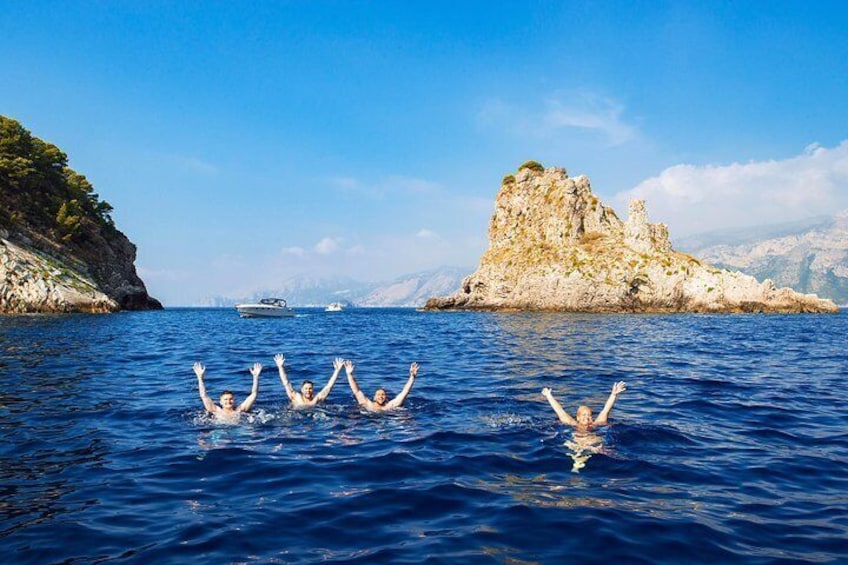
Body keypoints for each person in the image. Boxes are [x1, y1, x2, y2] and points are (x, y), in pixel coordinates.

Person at [541, 381, 627, 432]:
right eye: (583, 415)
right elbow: (560, 411)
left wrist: (613, 394)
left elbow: (606, 410)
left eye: (589, 415)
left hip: (593, 444)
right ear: (577, 417)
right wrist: (549, 396)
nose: (586, 417)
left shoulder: (596, 424)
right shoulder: (573, 424)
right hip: (577, 445)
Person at [193, 361, 262, 420]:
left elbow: (254, 394)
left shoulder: (239, 410)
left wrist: (255, 377)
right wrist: (200, 378)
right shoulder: (215, 410)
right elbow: (204, 396)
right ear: (221, 402)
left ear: (234, 400)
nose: (228, 401)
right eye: (225, 399)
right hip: (219, 431)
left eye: (230, 399)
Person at [344, 359, 419, 412]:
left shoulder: (390, 406)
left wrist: (412, 377)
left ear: (386, 397)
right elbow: (357, 391)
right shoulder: (368, 404)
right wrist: (349, 374)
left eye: (383, 394)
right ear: (374, 397)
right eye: (378, 394)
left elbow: (405, 391)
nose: (380, 396)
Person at [274, 353, 343, 408]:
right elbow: (286, 383)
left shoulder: (316, 399)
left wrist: (337, 371)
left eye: (310, 388)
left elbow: (329, 386)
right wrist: (280, 367)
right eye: (306, 388)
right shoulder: (296, 397)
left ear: (312, 389)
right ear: (302, 390)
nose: (308, 390)